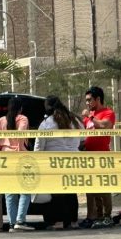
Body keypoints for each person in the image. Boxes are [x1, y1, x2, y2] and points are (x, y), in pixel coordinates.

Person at [34, 95, 83, 230]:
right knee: (71, 193)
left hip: (53, 163)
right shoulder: (75, 121)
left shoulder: (45, 124)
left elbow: (39, 146)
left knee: (56, 193)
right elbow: (83, 137)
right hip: (73, 162)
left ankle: (58, 222)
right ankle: (73, 221)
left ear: (48, 108)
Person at [0, 96, 34, 232]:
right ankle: (20, 220)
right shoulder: (23, 119)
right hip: (20, 157)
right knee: (25, 189)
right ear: (20, 108)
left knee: (10, 192)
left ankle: (12, 224)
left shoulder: (2, 120)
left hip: (5, 158)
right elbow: (21, 133)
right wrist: (19, 148)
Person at [80, 85, 116, 229]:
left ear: (98, 99)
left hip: (102, 156)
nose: (87, 103)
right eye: (86, 101)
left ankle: (107, 216)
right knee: (91, 188)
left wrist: (90, 116)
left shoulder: (108, 113)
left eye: (89, 100)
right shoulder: (88, 118)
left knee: (103, 187)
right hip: (88, 157)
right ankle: (96, 216)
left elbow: (104, 126)